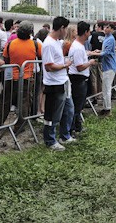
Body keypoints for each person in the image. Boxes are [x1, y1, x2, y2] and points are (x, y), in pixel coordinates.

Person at [2, 21, 41, 129]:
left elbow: (6, 58)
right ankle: (20, 126)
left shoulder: (11, 44)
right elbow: (42, 56)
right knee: (24, 102)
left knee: (5, 101)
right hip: (27, 78)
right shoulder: (35, 44)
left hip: (10, 77)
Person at [41, 16, 72, 150]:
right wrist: (65, 66)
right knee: (52, 114)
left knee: (67, 110)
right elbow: (49, 66)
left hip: (62, 81)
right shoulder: (48, 44)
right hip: (54, 83)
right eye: (66, 30)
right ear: (62, 28)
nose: (67, 33)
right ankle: (50, 140)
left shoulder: (56, 42)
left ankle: (64, 135)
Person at [68, 21, 96, 134]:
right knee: (77, 106)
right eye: (89, 31)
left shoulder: (78, 46)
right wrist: (90, 62)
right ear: (85, 32)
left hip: (78, 79)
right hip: (78, 79)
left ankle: (77, 127)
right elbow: (80, 67)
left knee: (78, 105)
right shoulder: (78, 48)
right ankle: (73, 129)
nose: (90, 34)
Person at [99, 23, 116, 116]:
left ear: (112, 29)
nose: (105, 29)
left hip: (109, 66)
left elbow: (106, 53)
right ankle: (105, 107)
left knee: (107, 88)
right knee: (105, 88)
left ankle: (108, 109)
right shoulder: (107, 38)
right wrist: (99, 52)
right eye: (104, 27)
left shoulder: (110, 39)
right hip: (107, 66)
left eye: (108, 27)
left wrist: (95, 53)